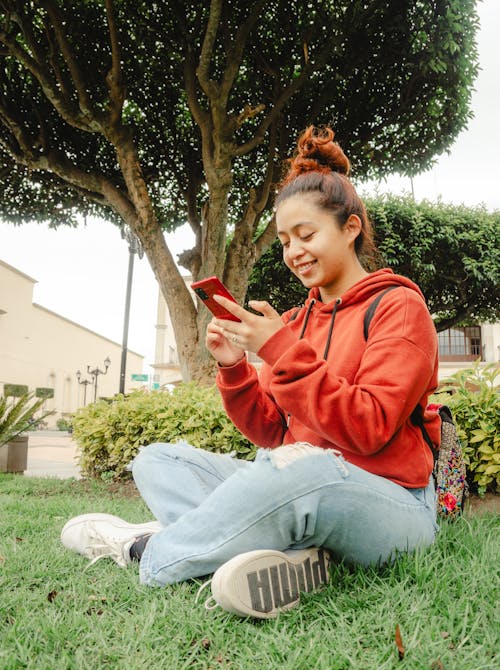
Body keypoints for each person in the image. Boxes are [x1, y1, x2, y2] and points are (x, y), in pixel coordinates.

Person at [61, 126, 440, 619]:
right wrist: (235, 367)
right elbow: (271, 431)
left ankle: (146, 551)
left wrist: (280, 350)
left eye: (307, 235)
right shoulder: (295, 320)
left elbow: (368, 428)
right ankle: (291, 559)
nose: (293, 252)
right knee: (158, 461)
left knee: (303, 472)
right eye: (285, 241)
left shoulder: (398, 307)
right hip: (300, 483)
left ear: (350, 229)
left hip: (393, 502)